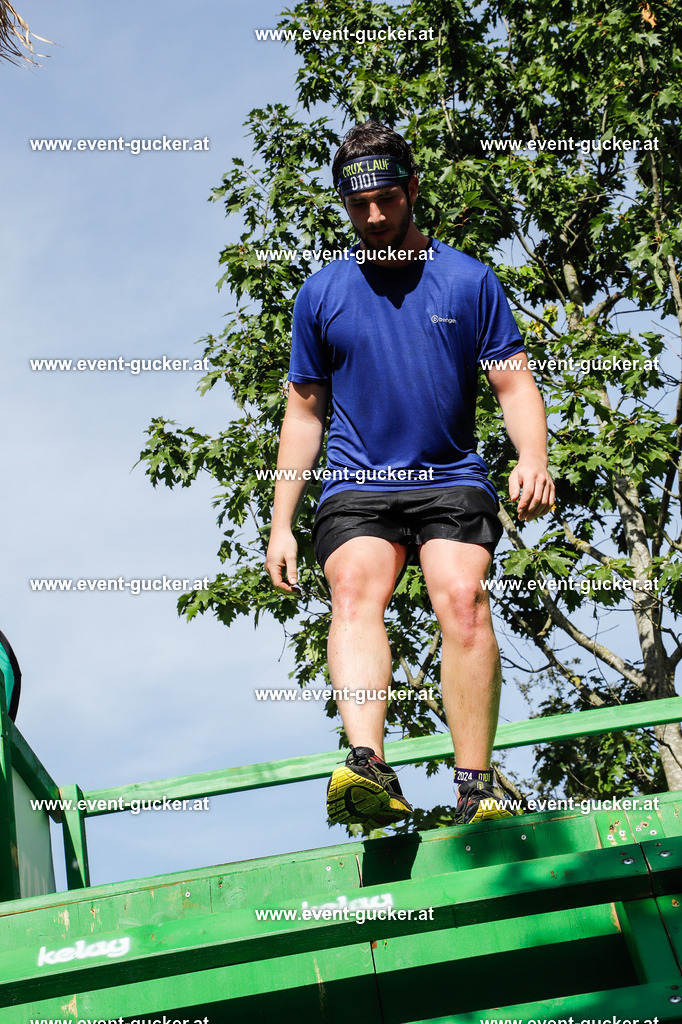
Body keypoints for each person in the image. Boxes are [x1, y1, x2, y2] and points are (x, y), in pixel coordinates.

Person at [265, 121, 555, 828]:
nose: (373, 216)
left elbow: (513, 385)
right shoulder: (322, 294)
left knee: (463, 599)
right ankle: (369, 767)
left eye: (387, 200)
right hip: (357, 483)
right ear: (344, 204)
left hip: (450, 474)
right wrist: (281, 523)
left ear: (412, 190)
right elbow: (304, 416)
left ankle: (475, 785)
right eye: (358, 206)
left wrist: (534, 457)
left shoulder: (468, 280)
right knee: (354, 587)